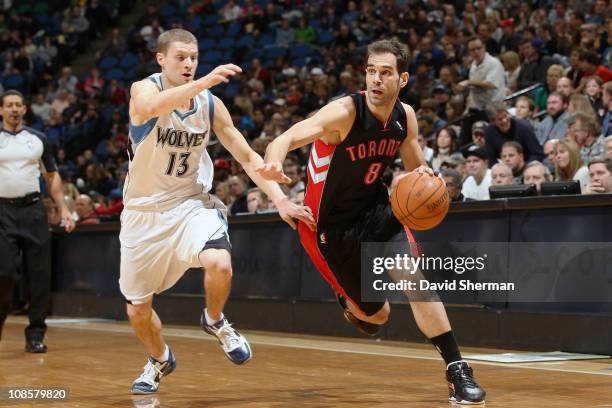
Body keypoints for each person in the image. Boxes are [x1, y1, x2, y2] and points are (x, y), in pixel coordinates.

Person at [257, 39, 486, 405]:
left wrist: (433, 184)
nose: (376, 80)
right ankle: (349, 300)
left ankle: (457, 369)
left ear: (403, 78)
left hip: (377, 211)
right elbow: (286, 137)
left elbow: (416, 168)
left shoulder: (404, 117)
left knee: (413, 277)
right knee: (377, 317)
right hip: (329, 228)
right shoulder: (345, 112)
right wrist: (275, 162)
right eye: (371, 71)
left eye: (386, 72)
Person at [121, 29, 314, 395]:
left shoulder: (209, 105)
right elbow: (148, 109)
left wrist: (281, 199)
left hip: (189, 204)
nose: (189, 63)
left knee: (220, 262)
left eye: (193, 57)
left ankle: (214, 320)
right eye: (180, 57)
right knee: (137, 312)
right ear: (160, 59)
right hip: (142, 215)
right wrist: (205, 81)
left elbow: (246, 157)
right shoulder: (142, 90)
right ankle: (160, 358)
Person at [0, 90, 76, 353]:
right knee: (4, 273)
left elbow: (52, 176)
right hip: (2, 212)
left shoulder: (38, 139)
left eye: (18, 105)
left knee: (40, 275)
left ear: (25, 109)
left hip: (33, 210)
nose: (14, 109)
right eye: (9, 105)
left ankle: (35, 334)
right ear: (1, 110)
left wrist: (63, 208)